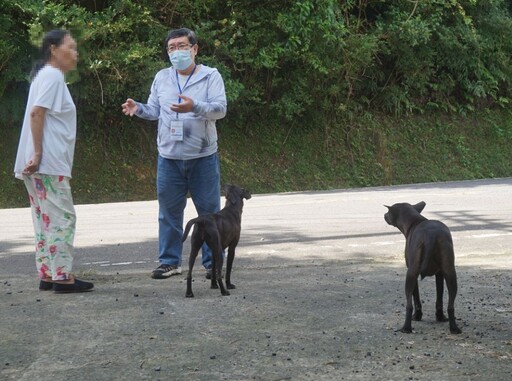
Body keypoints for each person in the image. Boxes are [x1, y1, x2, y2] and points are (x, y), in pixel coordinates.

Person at [122, 27, 227, 279]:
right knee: (168, 214)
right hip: (168, 159)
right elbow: (155, 110)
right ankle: (170, 261)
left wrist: (195, 106)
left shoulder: (210, 76)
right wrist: (138, 109)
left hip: (202, 157)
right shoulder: (162, 77)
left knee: (209, 214)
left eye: (181, 46)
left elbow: (220, 109)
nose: (176, 52)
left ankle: (212, 263)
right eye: (171, 48)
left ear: (194, 49)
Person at [14, 29, 94, 293]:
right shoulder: (52, 76)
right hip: (47, 162)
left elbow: (37, 113)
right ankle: (62, 276)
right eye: (70, 47)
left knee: (44, 219)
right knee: (62, 218)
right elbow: (37, 114)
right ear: (53, 49)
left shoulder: (43, 76)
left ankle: (48, 273)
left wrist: (34, 156)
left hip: (39, 163)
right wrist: (38, 154)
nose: (75, 53)